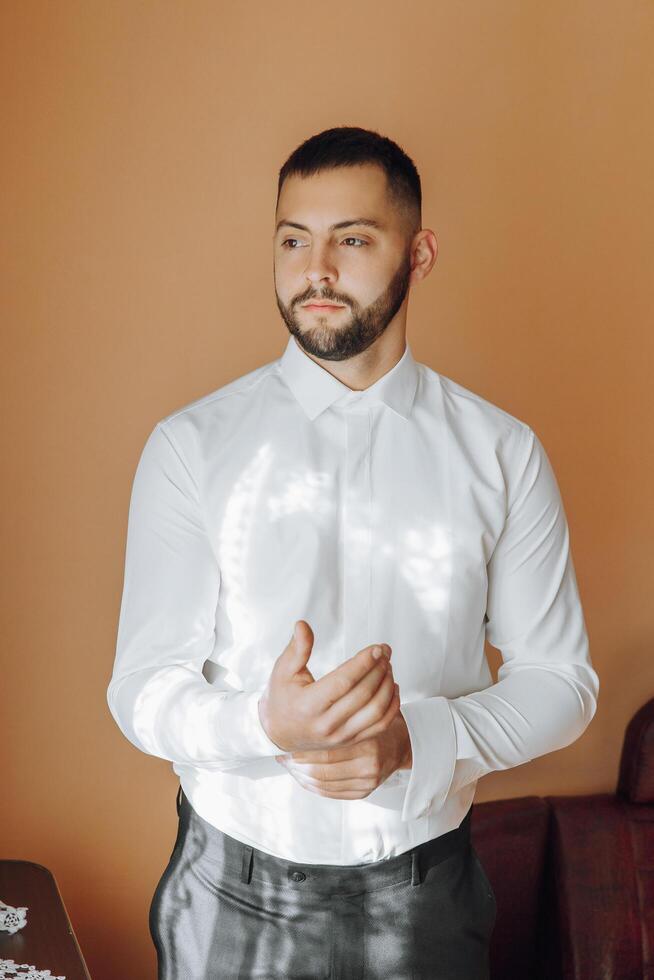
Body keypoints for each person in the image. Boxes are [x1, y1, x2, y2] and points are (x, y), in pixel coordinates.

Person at [106, 125, 599, 979]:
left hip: (424, 897)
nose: (316, 272)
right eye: (293, 240)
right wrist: (265, 724)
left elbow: (564, 685)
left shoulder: (501, 453)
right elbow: (140, 690)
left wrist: (420, 742)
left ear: (420, 253)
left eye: (354, 239)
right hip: (227, 889)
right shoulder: (191, 447)